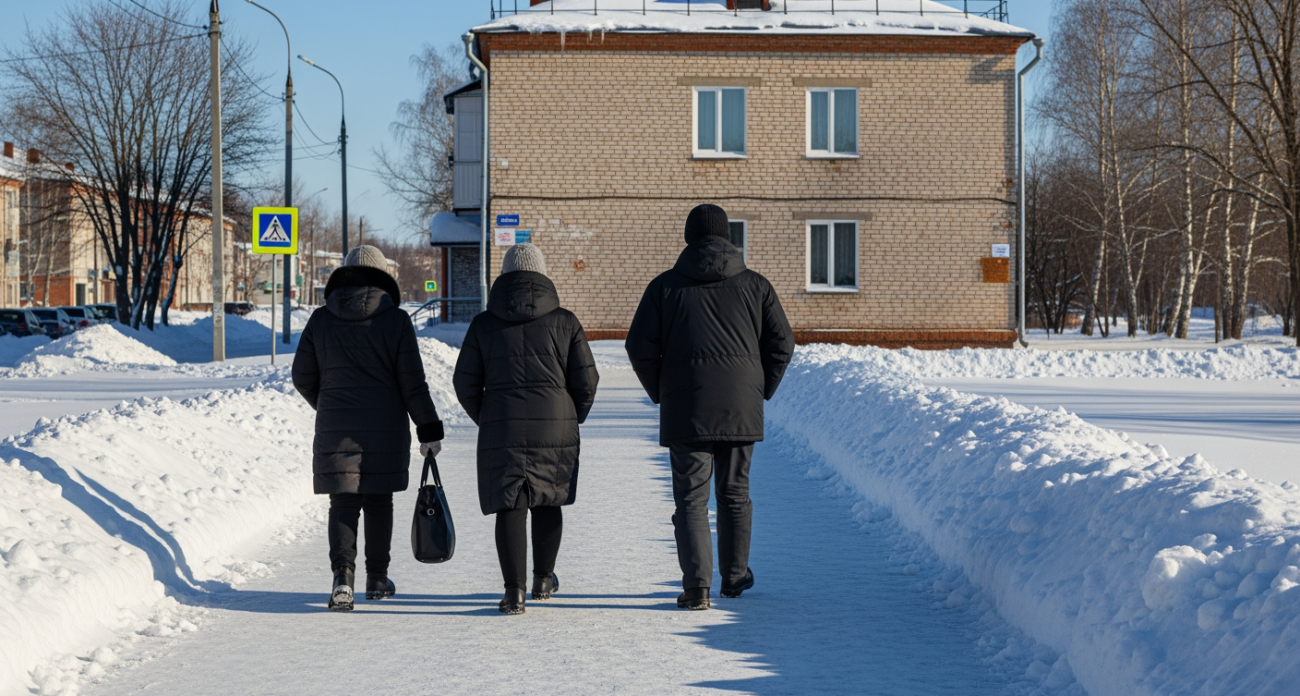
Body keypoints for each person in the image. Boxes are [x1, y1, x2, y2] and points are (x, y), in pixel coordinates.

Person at [625, 204, 794, 610]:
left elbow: (638, 347)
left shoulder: (664, 287)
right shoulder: (757, 286)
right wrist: (760, 389)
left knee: (690, 499)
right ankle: (734, 579)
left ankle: (697, 588)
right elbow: (782, 345)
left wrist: (662, 391)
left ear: (688, 238)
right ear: (728, 238)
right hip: (741, 406)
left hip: (688, 409)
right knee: (735, 493)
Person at [292, 245, 446, 612]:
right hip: (385, 427)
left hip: (337, 427)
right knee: (379, 500)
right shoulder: (395, 321)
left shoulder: (320, 319)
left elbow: (301, 375)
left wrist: (328, 403)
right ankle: (377, 579)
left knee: (343, 502)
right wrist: (428, 429)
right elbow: (413, 382)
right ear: (382, 277)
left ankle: (342, 578)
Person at [453, 243, 600, 615]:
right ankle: (544, 580)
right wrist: (571, 417)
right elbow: (587, 380)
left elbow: (464, 381)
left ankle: (513, 593)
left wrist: (487, 416)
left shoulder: (484, 323)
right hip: (555, 423)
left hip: (502, 425)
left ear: (503, 277)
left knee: (511, 503)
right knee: (549, 499)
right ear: (543, 275)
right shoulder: (565, 321)